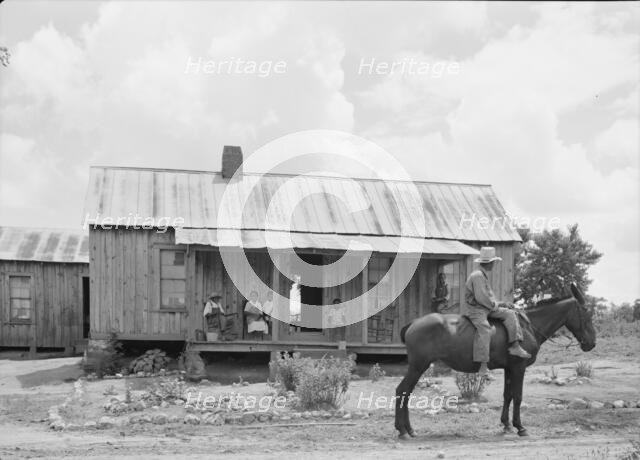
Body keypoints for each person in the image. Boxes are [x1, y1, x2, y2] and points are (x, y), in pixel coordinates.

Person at [464, 247, 531, 379]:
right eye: (493, 262)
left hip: (486, 308)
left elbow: (488, 299)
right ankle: (483, 366)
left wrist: (502, 304)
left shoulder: (482, 275)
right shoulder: (477, 276)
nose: (494, 265)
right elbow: (482, 298)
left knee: (510, 314)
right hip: (477, 310)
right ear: (489, 263)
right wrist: (495, 305)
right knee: (485, 329)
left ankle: (515, 345)